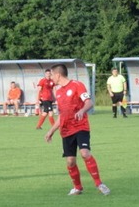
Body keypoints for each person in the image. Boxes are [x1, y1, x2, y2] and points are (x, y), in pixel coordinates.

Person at [44, 64, 110, 196]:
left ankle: (99, 184)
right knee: (70, 161)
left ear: (58, 75)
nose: (50, 78)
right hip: (66, 130)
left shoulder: (77, 85)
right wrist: (51, 131)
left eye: (51, 75)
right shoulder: (58, 92)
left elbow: (89, 102)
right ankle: (78, 187)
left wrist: (82, 110)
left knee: (85, 153)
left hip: (80, 126)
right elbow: (62, 115)